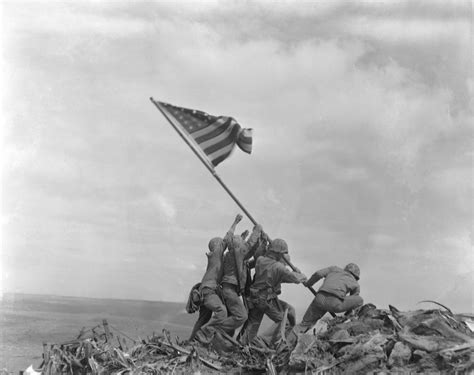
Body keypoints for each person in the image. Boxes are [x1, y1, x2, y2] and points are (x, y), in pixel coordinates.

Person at [239, 238, 307, 346]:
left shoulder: (260, 260)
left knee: (254, 324)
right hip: (266, 299)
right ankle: (263, 341)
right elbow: (295, 278)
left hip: (255, 297)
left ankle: (244, 345)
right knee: (284, 323)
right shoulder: (278, 267)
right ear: (279, 253)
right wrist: (300, 274)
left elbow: (278, 277)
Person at [188, 214, 242, 341]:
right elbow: (227, 238)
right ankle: (203, 333)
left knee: (203, 319)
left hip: (206, 291)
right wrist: (235, 222)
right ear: (217, 245)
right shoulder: (216, 254)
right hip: (209, 291)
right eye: (221, 244)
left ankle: (191, 342)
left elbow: (231, 245)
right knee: (221, 311)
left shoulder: (217, 258)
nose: (223, 245)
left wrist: (242, 238)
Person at [294, 263, 364, 334]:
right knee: (359, 300)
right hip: (334, 303)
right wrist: (346, 315)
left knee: (304, 324)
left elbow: (318, 274)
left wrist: (308, 283)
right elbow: (353, 300)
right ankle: (346, 319)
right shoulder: (355, 284)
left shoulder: (334, 269)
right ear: (356, 276)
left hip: (319, 298)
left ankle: (287, 340)